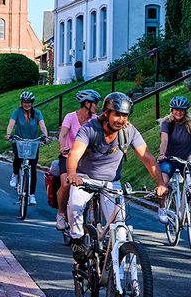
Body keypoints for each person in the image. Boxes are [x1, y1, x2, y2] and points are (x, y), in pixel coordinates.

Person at [65, 92, 167, 251]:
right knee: (74, 206)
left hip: (111, 183)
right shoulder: (89, 129)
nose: (121, 120)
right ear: (106, 113)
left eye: (125, 115)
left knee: (120, 230)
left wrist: (160, 183)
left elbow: (147, 157)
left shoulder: (129, 131)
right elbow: (74, 154)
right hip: (85, 179)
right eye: (117, 115)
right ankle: (77, 240)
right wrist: (72, 174)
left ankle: (115, 266)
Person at [55, 89, 102, 230]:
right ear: (87, 103)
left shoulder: (95, 120)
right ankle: (61, 214)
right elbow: (63, 134)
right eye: (95, 103)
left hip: (87, 158)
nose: (97, 106)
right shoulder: (70, 117)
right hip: (68, 156)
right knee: (66, 185)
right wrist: (62, 146)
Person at [5, 90, 48, 205]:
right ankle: (15, 175)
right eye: (24, 102)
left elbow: (42, 126)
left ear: (32, 103)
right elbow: (11, 124)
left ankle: (32, 195)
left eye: (29, 102)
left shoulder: (37, 113)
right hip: (19, 140)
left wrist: (46, 136)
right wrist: (9, 134)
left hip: (33, 143)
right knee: (18, 158)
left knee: (33, 169)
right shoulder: (17, 112)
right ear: (22, 102)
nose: (27, 104)